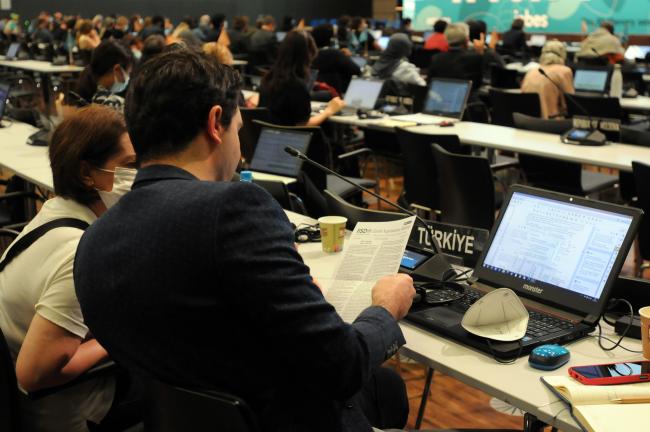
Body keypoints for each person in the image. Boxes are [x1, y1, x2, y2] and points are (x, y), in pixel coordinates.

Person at [73, 47, 414, 432]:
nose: (241, 146)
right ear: (216, 123)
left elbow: (199, 329)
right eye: (239, 129)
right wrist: (386, 309)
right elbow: (344, 367)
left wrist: (290, 298)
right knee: (383, 387)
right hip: (286, 419)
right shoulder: (234, 207)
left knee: (384, 389)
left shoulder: (91, 241)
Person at [0, 105, 138, 432]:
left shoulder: (52, 213)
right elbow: (32, 374)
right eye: (130, 165)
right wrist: (111, 339)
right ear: (86, 174)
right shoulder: (79, 252)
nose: (140, 175)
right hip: (62, 414)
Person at [259, 30, 344, 126]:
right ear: (306, 58)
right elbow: (303, 125)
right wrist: (329, 111)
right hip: (292, 138)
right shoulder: (297, 86)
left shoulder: (267, 79)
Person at [75, 40, 134, 112]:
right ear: (117, 69)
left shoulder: (84, 95)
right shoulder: (117, 105)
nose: (128, 77)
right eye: (128, 73)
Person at [521, 40, 574, 119]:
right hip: (550, 122)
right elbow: (569, 104)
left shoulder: (531, 71)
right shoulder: (565, 71)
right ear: (563, 54)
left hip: (526, 120)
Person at [428, 23, 484, 92]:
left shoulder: (436, 58)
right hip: (467, 99)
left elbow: (430, 83)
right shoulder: (475, 58)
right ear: (467, 39)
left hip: (441, 97)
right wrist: (480, 53)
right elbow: (477, 84)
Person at [311, 23, 361, 94]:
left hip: (315, 97)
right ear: (330, 39)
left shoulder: (309, 55)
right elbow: (356, 70)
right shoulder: (335, 54)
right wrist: (347, 57)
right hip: (335, 97)